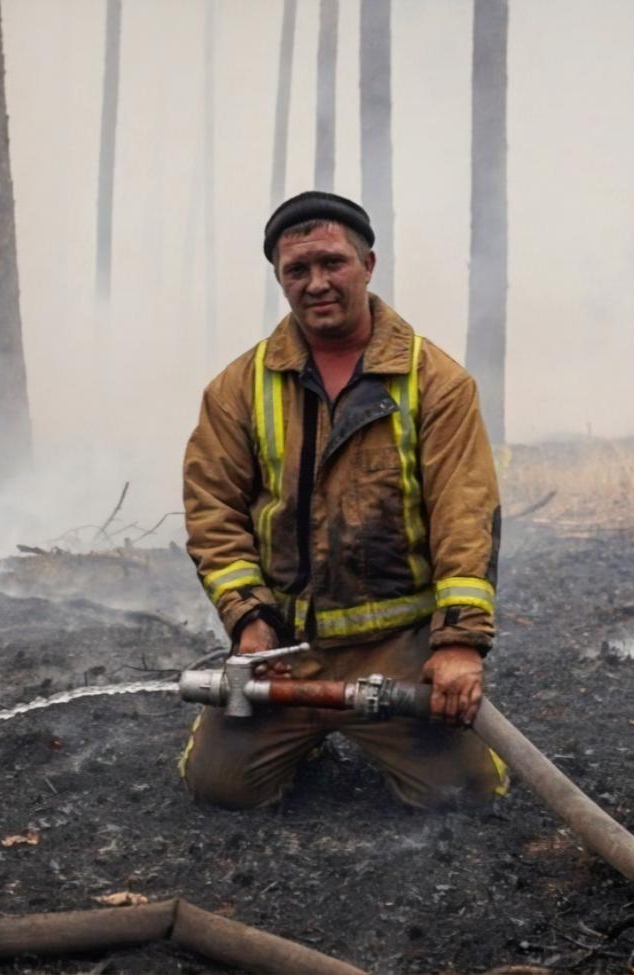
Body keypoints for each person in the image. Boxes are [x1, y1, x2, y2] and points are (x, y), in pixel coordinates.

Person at [178, 191, 508, 810]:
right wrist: (249, 621)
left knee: (467, 797)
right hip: (285, 653)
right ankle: (297, 737)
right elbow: (212, 513)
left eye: (333, 263)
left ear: (368, 265)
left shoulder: (437, 383)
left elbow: (465, 518)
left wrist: (458, 644)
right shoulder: (237, 390)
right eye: (296, 271)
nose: (316, 283)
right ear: (280, 278)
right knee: (217, 790)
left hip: (399, 651)